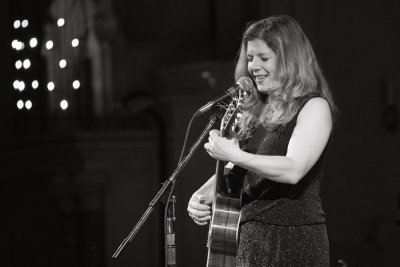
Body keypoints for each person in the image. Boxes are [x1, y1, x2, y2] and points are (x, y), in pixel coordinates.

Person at [187, 15, 337, 267]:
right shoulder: (255, 110)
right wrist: (202, 195)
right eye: (250, 58)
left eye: (264, 58)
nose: (253, 66)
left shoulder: (314, 106)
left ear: (290, 59)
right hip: (249, 238)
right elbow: (241, 169)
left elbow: (293, 169)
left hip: (293, 238)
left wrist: (233, 154)